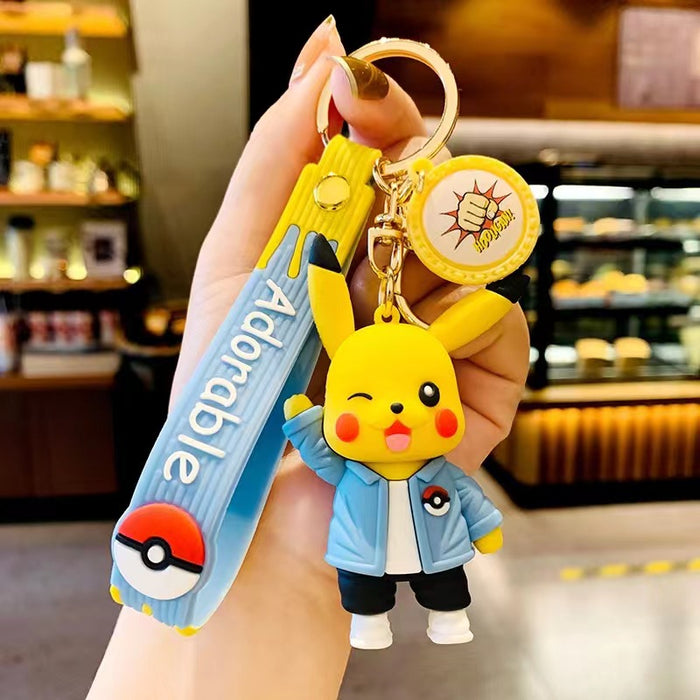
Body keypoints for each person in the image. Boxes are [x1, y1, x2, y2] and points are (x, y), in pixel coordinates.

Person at [88, 15, 529, 699]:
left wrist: (292, 572)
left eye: (425, 399)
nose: (396, 418)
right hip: (336, 533)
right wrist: (291, 430)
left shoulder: (407, 455)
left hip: (387, 538)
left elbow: (349, 465)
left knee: (429, 579)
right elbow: (319, 452)